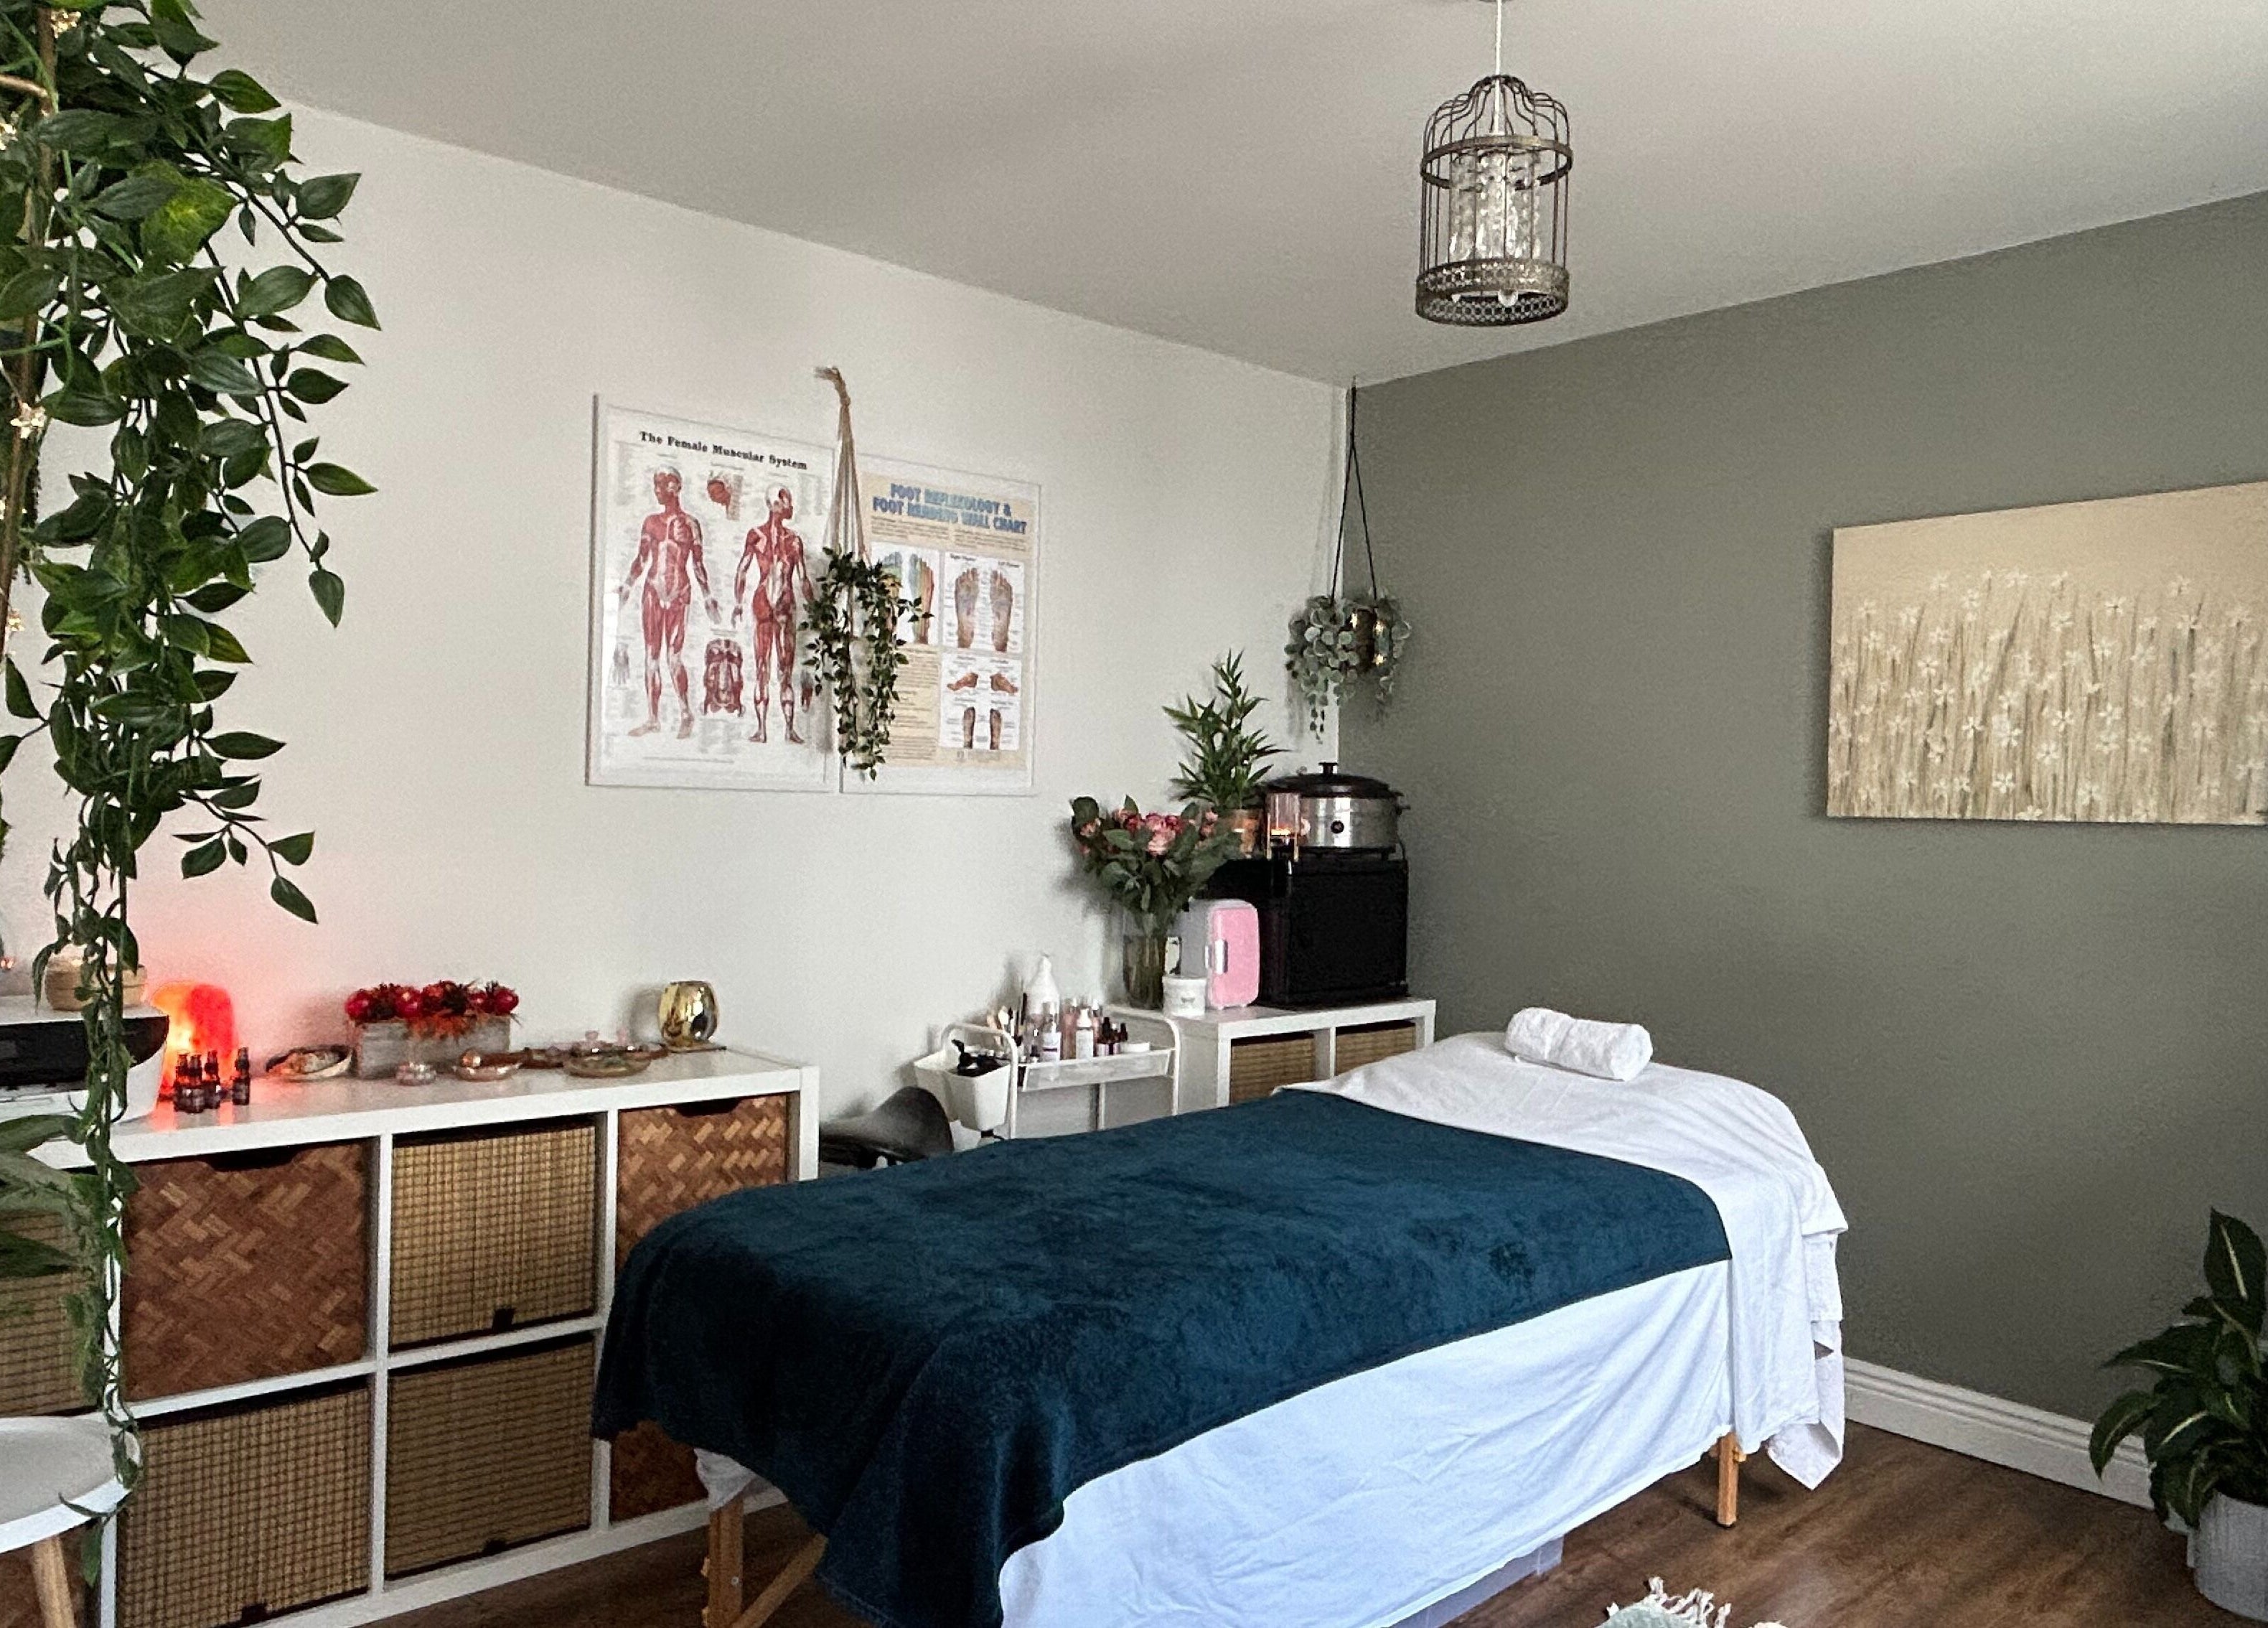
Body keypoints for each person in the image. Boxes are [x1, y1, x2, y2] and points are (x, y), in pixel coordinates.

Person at [618, 468, 718, 738]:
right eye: (655, 485)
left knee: (674, 657)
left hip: (678, 594)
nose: (657, 490)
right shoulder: (651, 522)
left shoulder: (691, 523)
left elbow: (698, 564)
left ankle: (686, 713)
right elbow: (641, 559)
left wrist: (708, 595)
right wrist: (627, 585)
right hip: (652, 590)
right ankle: (653, 718)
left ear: (675, 487)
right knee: (651, 657)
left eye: (661, 485)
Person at [734, 485, 814, 744]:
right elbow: (743, 570)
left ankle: (787, 729)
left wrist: (815, 607)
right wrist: (737, 603)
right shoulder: (757, 536)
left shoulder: (793, 541)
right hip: (766, 604)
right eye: (786, 503)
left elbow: (802, 579)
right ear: (774, 505)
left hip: (784, 605)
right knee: (763, 666)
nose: (790, 507)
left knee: (784, 669)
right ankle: (763, 729)